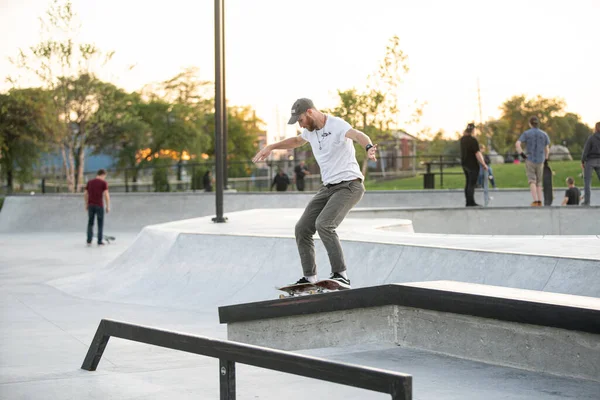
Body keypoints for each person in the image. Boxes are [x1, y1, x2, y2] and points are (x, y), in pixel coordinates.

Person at [252, 98, 377, 289]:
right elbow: (295, 141)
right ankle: (309, 277)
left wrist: (368, 147)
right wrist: (271, 146)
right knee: (302, 228)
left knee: (324, 224)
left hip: (349, 185)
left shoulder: (337, 125)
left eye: (300, 120)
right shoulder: (309, 132)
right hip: (327, 188)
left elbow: (358, 135)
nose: (300, 124)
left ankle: (341, 275)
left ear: (309, 112)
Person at [515, 116, 550, 206]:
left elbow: (518, 144)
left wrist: (522, 154)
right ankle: (540, 200)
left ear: (530, 124)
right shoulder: (544, 134)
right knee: (539, 182)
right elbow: (547, 148)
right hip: (541, 160)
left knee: (532, 180)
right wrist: (546, 159)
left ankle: (535, 201)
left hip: (530, 159)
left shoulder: (526, 133)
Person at [459, 123, 488, 207]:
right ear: (473, 130)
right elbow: (477, 153)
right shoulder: (473, 140)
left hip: (465, 163)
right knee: (472, 183)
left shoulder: (462, 140)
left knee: (468, 183)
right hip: (472, 164)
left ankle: (468, 201)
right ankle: (471, 202)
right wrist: (483, 164)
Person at [84, 169, 110, 246]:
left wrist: (86, 204)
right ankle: (99, 241)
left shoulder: (90, 182)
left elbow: (85, 193)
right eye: (104, 176)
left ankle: (89, 240)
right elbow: (106, 195)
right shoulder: (103, 183)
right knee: (100, 223)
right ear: (103, 175)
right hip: (99, 205)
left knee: (90, 223)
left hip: (91, 205)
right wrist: (107, 206)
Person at [581, 122, 600, 206]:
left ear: (595, 128)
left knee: (587, 181)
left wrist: (582, 160)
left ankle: (587, 201)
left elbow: (586, 150)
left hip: (590, 161)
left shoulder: (591, 138)